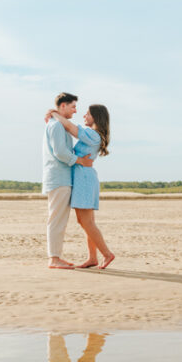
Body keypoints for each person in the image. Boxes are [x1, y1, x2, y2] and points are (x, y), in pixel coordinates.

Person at [46, 104, 115, 269]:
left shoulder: (92, 134)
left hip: (83, 178)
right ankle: (93, 258)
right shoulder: (94, 135)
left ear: (96, 118)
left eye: (87, 114)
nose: (84, 116)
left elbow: (70, 127)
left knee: (85, 221)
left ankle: (107, 254)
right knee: (88, 221)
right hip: (86, 177)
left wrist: (55, 114)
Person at [42, 93, 93, 269]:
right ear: (62, 106)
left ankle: (56, 257)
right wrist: (80, 161)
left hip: (61, 178)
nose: (75, 110)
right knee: (56, 219)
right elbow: (61, 153)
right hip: (58, 178)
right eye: (73, 106)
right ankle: (54, 259)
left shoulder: (57, 125)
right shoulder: (56, 126)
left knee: (59, 220)